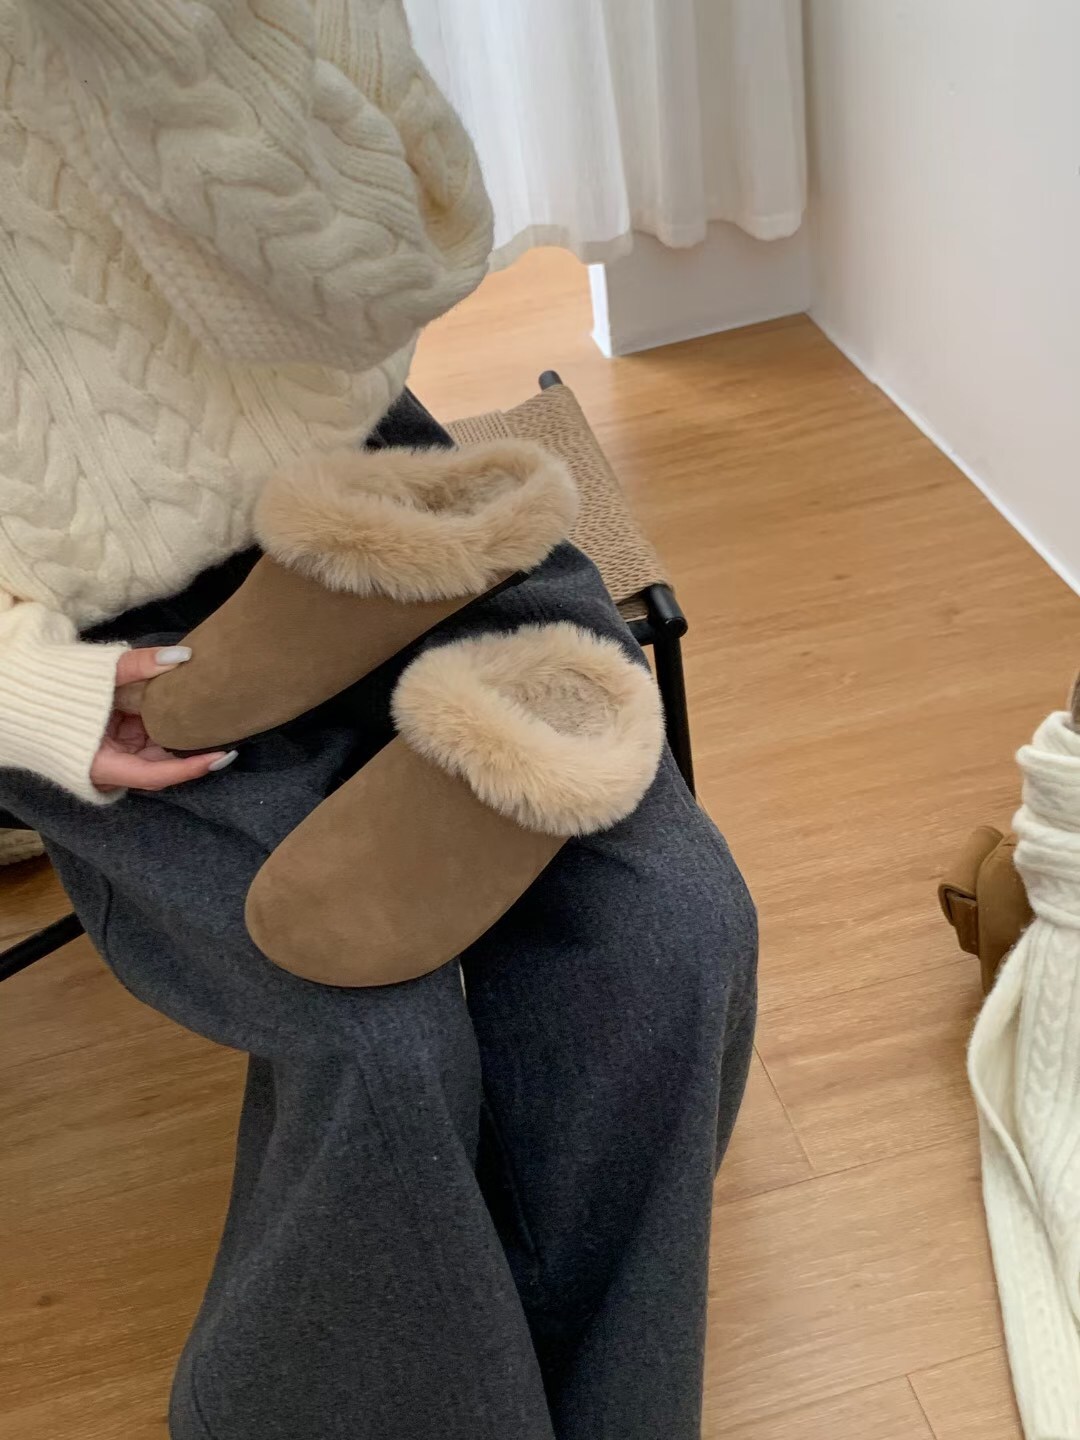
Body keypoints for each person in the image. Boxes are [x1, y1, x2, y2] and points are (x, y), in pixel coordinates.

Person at [0, 4, 757, 1438]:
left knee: (674, 927)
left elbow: (404, 259)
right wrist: (29, 697)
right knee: (379, 1045)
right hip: (62, 625)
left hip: (357, 501)